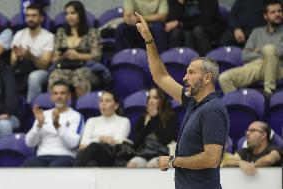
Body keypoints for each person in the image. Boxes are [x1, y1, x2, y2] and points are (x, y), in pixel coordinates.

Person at [135, 12, 230, 189]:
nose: (185, 77)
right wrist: (149, 40)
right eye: (186, 72)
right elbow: (160, 76)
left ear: (207, 78)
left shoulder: (212, 109)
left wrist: (173, 161)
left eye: (191, 72)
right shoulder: (193, 102)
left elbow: (211, 158)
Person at [219, 0, 283, 96]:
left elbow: (280, 51)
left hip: (278, 68)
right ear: (265, 16)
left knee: (269, 49)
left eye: (279, 11)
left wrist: (261, 50)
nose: (277, 14)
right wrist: (266, 55)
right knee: (224, 78)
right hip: (255, 67)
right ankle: (238, 104)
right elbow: (245, 55)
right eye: (273, 12)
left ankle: (269, 91)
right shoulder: (256, 32)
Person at [48, 1, 104, 98]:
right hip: (64, 66)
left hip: (86, 67)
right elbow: (54, 59)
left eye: (73, 13)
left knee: (79, 76)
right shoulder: (61, 32)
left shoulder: (92, 32)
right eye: (67, 14)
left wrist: (77, 56)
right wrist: (62, 56)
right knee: (55, 75)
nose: (69, 16)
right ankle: (57, 109)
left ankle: (82, 107)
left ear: (80, 14)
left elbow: (97, 56)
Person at [22, 80, 84, 167]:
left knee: (55, 169)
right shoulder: (43, 115)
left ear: (69, 96)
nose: (59, 96)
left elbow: (73, 144)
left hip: (65, 156)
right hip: (42, 156)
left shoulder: (76, 116)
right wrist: (38, 125)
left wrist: (58, 126)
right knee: (27, 166)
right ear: (51, 96)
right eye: (55, 93)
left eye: (62, 93)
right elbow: (29, 143)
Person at [10, 3, 54, 103]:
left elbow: (45, 65)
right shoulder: (19, 34)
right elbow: (12, 63)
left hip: (41, 71)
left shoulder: (49, 37)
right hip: (21, 68)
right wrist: (17, 57)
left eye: (34, 15)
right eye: (28, 16)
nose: (30, 19)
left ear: (41, 18)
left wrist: (30, 56)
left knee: (34, 77)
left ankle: (31, 106)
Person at [74, 91, 131, 167]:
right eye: (101, 101)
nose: (103, 104)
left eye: (107, 101)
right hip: (90, 156)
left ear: (116, 106)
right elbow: (83, 144)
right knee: (86, 152)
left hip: (110, 156)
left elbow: (116, 143)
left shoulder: (124, 121)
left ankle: (74, 173)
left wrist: (94, 141)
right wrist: (100, 139)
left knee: (94, 146)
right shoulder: (91, 121)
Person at [127, 87, 178, 168]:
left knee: (151, 166)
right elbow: (136, 143)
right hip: (144, 153)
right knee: (131, 165)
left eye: (155, 98)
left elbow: (165, 140)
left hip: (162, 154)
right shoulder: (143, 118)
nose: (151, 100)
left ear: (162, 100)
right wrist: (148, 122)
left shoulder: (170, 117)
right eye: (149, 97)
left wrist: (155, 118)